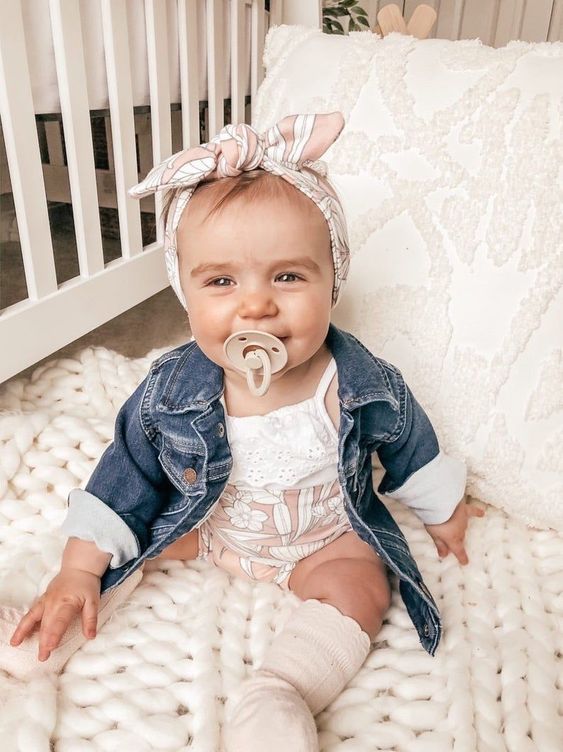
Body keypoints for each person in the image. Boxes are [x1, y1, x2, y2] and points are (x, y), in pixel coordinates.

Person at [8, 112, 484, 751]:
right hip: (209, 528)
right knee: (121, 546)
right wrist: (78, 565)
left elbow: (408, 441)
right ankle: (44, 623)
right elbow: (127, 473)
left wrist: (443, 509)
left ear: (332, 279)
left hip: (323, 537)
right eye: (222, 281)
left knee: (365, 584)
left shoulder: (355, 378)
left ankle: (282, 692)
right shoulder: (173, 388)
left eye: (288, 276)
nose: (255, 305)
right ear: (186, 294)